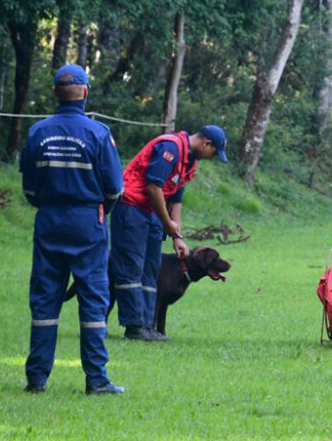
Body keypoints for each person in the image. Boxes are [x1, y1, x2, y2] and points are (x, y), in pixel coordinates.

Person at [20, 64, 125, 395]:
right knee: (93, 298)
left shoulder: (38, 132)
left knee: (45, 298)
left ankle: (37, 378)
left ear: (54, 93)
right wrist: (98, 211)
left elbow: (30, 186)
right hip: (87, 222)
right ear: (85, 92)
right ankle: (96, 379)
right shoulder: (98, 132)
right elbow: (114, 188)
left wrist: (50, 205)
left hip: (49, 219)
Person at [110, 124, 227, 340]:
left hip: (154, 213)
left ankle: (147, 325)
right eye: (213, 152)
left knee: (151, 269)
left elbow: (176, 197)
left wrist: (176, 235)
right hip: (132, 208)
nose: (211, 157)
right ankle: (134, 326)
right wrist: (167, 222)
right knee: (132, 267)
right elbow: (153, 187)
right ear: (206, 143)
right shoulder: (170, 148)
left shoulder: (189, 161)